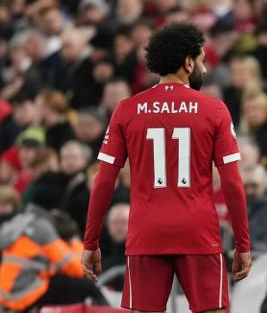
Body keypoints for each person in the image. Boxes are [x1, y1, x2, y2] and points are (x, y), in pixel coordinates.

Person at [81, 23, 252, 313]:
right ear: (188, 63)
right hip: (199, 234)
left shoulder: (126, 110)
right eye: (201, 61)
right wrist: (243, 243)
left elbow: (104, 181)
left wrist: (90, 242)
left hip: (146, 235)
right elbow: (233, 183)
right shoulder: (215, 110)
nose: (205, 69)